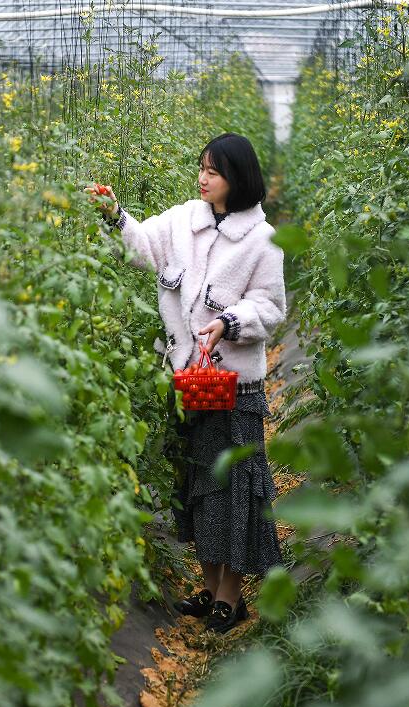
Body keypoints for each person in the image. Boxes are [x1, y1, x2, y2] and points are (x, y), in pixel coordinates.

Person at [87, 132, 286, 634]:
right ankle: (207, 583)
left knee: (233, 488)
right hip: (186, 379)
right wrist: (114, 215)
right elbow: (140, 249)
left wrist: (229, 322)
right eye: (201, 168)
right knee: (197, 484)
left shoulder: (262, 241)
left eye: (213, 171)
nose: (202, 178)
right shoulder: (182, 222)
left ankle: (231, 596)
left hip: (235, 384)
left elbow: (270, 306)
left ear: (237, 179)